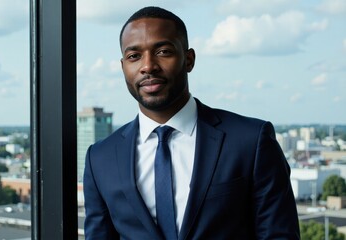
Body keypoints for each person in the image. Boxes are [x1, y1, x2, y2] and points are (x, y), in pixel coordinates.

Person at [84, 6, 300, 240]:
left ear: (189, 59)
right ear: (123, 66)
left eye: (163, 51)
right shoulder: (100, 158)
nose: (148, 66)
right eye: (134, 56)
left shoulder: (251, 141)